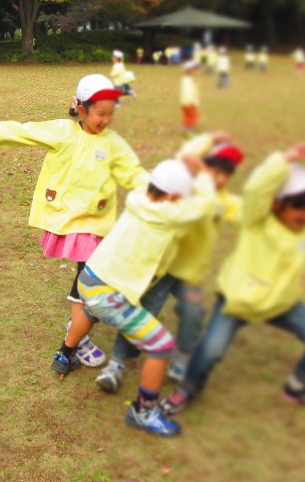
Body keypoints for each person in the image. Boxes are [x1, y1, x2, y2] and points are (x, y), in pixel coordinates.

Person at [0, 74, 149, 369]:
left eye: (110, 114)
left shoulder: (112, 143)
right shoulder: (63, 132)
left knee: (90, 280)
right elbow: (23, 132)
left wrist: (160, 190)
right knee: (89, 279)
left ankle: (76, 333)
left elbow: (133, 173)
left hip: (99, 222)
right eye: (101, 113)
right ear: (81, 109)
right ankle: (75, 341)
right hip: (71, 220)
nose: (106, 120)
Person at [162, 143, 305, 416]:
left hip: (282, 302)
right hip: (238, 302)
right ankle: (187, 389)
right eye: (298, 206)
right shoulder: (256, 220)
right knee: (211, 350)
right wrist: (285, 158)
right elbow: (257, 188)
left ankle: (299, 386)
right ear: (277, 204)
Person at [54, 158, 216, 437]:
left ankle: (64, 355)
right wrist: (202, 174)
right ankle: (143, 411)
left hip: (90, 278)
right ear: (173, 196)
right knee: (161, 345)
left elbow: (146, 177)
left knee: (91, 311)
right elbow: (206, 204)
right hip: (108, 294)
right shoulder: (169, 216)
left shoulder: (139, 195)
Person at [97, 133, 244, 393]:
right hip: (161, 269)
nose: (219, 179)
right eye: (214, 171)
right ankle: (116, 364)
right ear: (203, 167)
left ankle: (182, 358)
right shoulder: (181, 192)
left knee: (193, 312)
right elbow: (185, 157)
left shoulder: (223, 202)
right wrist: (208, 139)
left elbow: (248, 213)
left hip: (189, 273)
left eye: (225, 175)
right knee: (143, 311)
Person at [180, 62, 201, 133]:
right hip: (189, 102)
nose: (196, 71)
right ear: (189, 70)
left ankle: (184, 127)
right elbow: (187, 93)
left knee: (188, 116)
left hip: (186, 102)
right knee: (193, 116)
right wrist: (191, 102)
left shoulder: (188, 79)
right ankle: (187, 129)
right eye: (194, 69)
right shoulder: (187, 81)